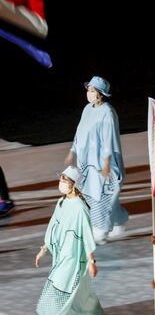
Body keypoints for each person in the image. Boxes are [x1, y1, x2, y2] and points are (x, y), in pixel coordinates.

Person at [31, 166, 113, 315]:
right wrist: (44, 249)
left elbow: (86, 235)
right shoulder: (62, 202)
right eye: (61, 178)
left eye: (64, 180)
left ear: (74, 184)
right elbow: (54, 226)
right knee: (84, 297)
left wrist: (91, 261)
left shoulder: (80, 208)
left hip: (75, 259)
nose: (61, 183)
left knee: (57, 292)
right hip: (61, 257)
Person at [64, 76, 128, 245]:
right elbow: (80, 131)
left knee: (102, 194)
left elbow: (109, 138)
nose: (89, 94)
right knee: (91, 193)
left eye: (92, 91)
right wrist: (72, 151)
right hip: (87, 161)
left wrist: (107, 163)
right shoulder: (87, 109)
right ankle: (118, 222)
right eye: (88, 90)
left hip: (102, 162)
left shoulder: (107, 112)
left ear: (100, 94)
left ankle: (100, 230)